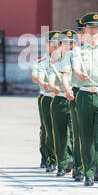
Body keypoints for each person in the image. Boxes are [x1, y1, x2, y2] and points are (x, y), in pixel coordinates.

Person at [72, 12, 98, 188]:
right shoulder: (77, 49)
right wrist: (78, 73)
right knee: (86, 137)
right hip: (84, 95)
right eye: (90, 27)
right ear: (85, 29)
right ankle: (88, 172)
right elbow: (75, 66)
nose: (93, 30)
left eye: (96, 27)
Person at [47, 30, 77, 177]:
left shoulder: (79, 63)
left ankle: (73, 161)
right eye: (66, 43)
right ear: (60, 45)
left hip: (75, 100)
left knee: (75, 133)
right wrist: (53, 87)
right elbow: (51, 81)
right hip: (59, 101)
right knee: (60, 135)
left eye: (72, 43)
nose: (69, 46)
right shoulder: (54, 65)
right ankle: (61, 164)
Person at [61, 18, 86, 182]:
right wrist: (67, 89)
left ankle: (96, 166)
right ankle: (79, 165)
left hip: (95, 93)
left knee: (95, 134)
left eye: (86, 31)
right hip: (76, 92)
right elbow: (66, 74)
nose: (83, 35)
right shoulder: (71, 52)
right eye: (81, 32)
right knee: (77, 132)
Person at [37, 31, 61, 173]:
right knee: (47, 129)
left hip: (62, 97)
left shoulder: (67, 59)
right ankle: (49, 158)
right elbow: (38, 76)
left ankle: (63, 159)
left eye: (59, 43)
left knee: (64, 131)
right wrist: (43, 83)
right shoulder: (42, 61)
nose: (57, 46)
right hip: (46, 97)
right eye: (54, 43)